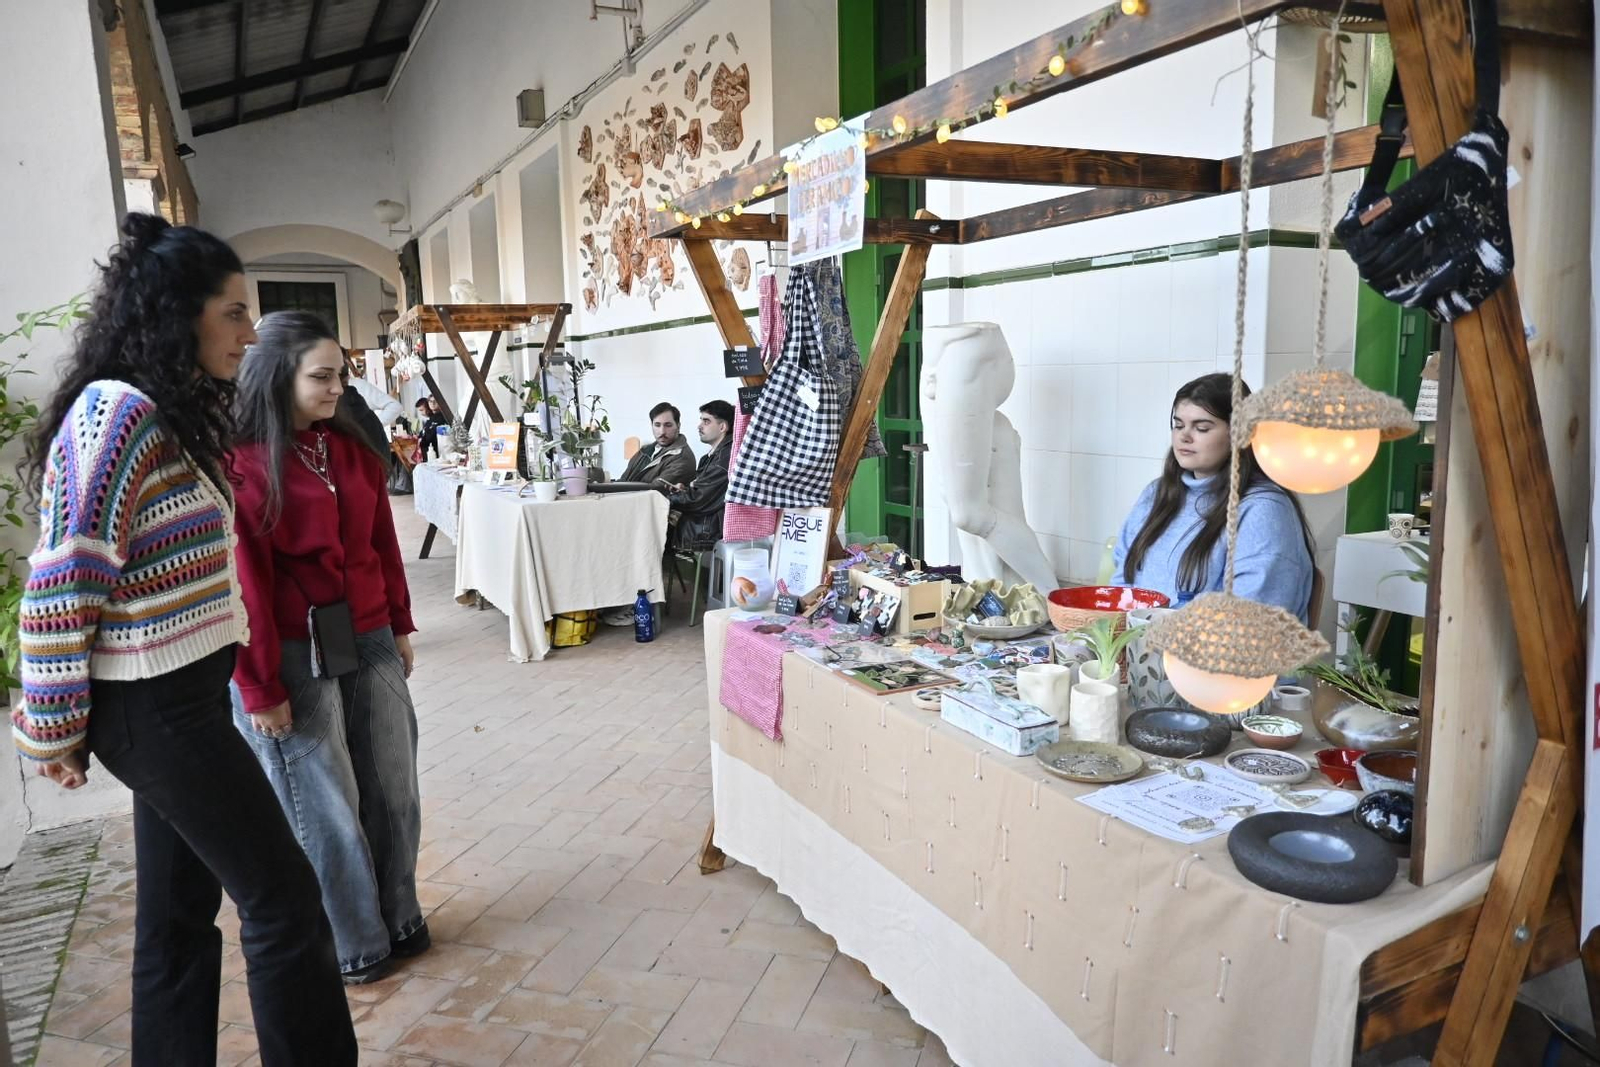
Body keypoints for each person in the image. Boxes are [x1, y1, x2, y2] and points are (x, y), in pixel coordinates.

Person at [12, 214, 356, 1065]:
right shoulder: (115, 412)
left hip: (179, 703)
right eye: (234, 312)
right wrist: (51, 726)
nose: (251, 331)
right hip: (157, 711)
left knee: (175, 916)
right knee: (284, 899)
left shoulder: (164, 410)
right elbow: (65, 573)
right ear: (178, 311)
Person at [230, 311, 427, 985]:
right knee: (328, 801)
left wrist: (398, 622)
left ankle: (401, 914)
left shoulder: (347, 449)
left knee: (394, 783)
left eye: (341, 374)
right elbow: (245, 585)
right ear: (276, 376)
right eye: (322, 375)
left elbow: (382, 543)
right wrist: (259, 685)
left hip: (367, 632)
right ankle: (356, 939)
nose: (338, 387)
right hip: (290, 648)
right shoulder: (245, 463)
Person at [1113, 372, 1316, 622]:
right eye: (1178, 425)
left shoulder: (1263, 510)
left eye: (1202, 428)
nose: (1184, 436)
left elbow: (1251, 617)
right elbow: (1122, 583)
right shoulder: (1157, 494)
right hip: (1143, 650)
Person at [665, 399, 735, 551]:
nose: (699, 426)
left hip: (705, 532)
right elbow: (700, 491)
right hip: (699, 525)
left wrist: (665, 499)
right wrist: (684, 489)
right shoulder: (712, 457)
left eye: (706, 421)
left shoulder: (724, 459)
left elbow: (697, 499)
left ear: (722, 426)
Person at [617, 402, 697, 487]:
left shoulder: (682, 458)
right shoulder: (645, 450)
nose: (662, 431)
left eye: (668, 425)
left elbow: (654, 491)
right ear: (651, 425)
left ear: (678, 426)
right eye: (657, 425)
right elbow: (624, 480)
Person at [414, 396, 447, 460]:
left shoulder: (441, 418)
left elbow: (429, 437)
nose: (432, 403)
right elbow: (422, 435)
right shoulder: (429, 421)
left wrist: (421, 440)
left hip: (437, 454)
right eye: (430, 401)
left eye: (422, 410)